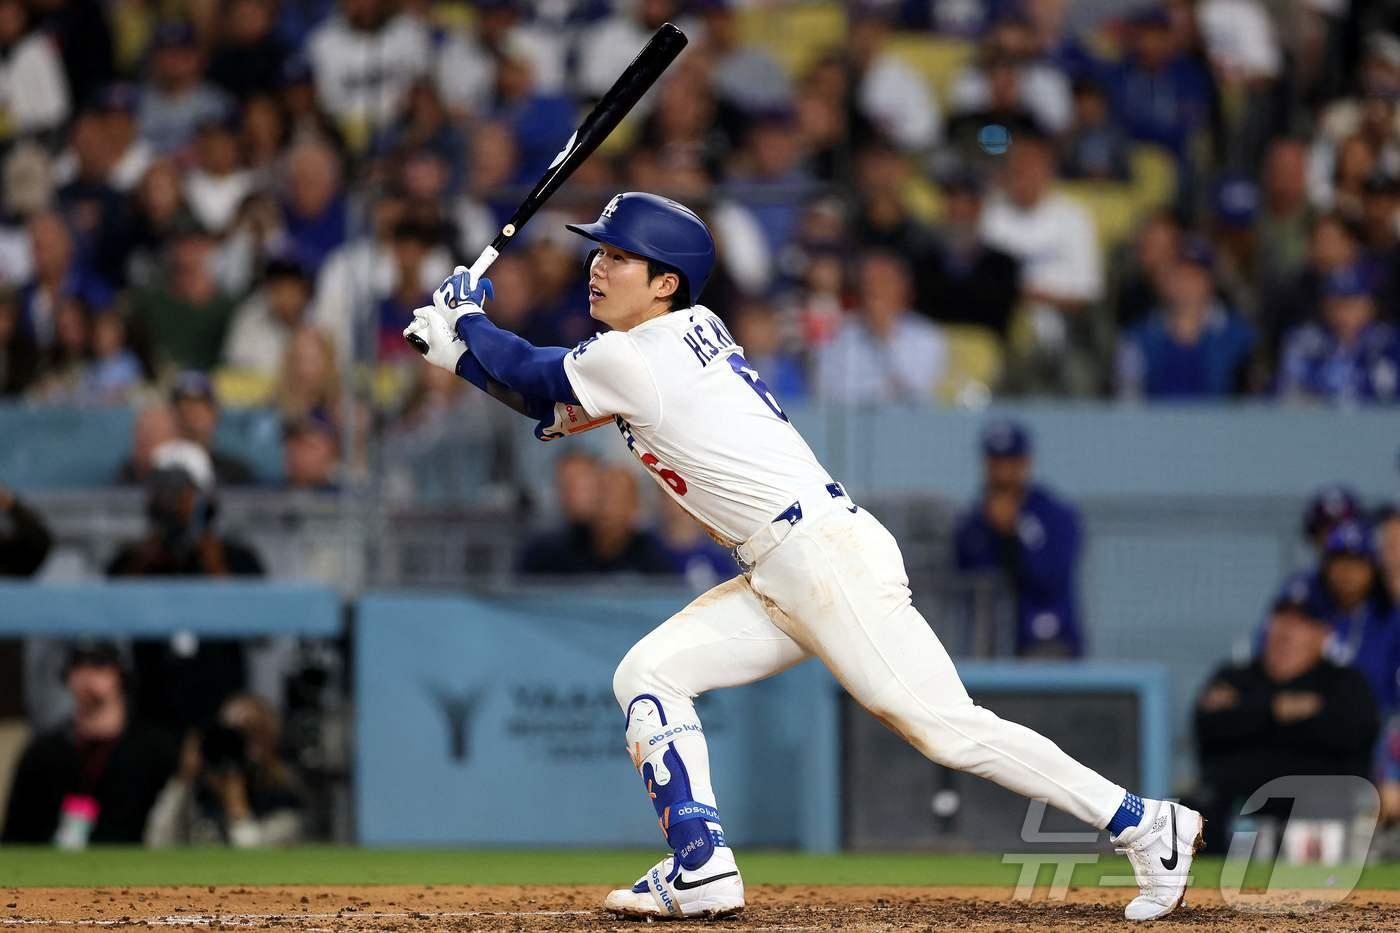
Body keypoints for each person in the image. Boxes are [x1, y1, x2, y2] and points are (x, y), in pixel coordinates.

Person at [403, 191, 1202, 921]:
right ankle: (701, 862)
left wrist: (466, 323)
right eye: (598, 252)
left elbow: (540, 378)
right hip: (783, 565)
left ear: (666, 284)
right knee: (648, 673)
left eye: (618, 257)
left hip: (823, 559)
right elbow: (551, 400)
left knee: (950, 730)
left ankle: (1145, 824)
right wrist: (458, 350)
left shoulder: (634, 354)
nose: (598, 267)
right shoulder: (669, 340)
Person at [1192, 578, 1379, 854]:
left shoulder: (1344, 681)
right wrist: (1276, 710)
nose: (1286, 632)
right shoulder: (1236, 676)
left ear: (1324, 634)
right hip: (1236, 828)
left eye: (1302, 622)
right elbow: (1209, 725)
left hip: (1325, 830)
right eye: (1281, 618)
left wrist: (1250, 715)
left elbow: (1355, 731)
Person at [106, 441, 263, 735]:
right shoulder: (134, 560)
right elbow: (107, 618)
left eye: (182, 490)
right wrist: (144, 560)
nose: (172, 500)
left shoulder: (236, 558)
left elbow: (262, 633)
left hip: (221, 715)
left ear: (206, 497)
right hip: (150, 715)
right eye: (162, 489)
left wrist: (214, 565)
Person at [2, 642, 176, 844]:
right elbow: (15, 834)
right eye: (78, 666)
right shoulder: (44, 753)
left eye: (98, 666)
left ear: (119, 675)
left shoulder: (152, 751)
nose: (87, 677)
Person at [954, 420, 1084, 656]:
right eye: (996, 462)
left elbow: (1050, 576)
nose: (1003, 473)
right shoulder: (974, 521)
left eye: (1010, 463)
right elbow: (966, 576)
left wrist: (1015, 534)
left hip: (1045, 638)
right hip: (989, 643)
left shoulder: (1051, 513)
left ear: (1025, 463)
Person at [145, 693, 306, 847]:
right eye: (230, 733)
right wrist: (183, 778)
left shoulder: (282, 795)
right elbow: (158, 842)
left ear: (270, 737)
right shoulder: (197, 790)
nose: (240, 743)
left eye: (252, 732)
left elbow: (259, 860)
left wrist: (238, 809)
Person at [169, 371, 257, 487]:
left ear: (214, 412)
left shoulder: (235, 473)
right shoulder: (161, 465)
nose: (190, 414)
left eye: (199, 406)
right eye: (184, 406)